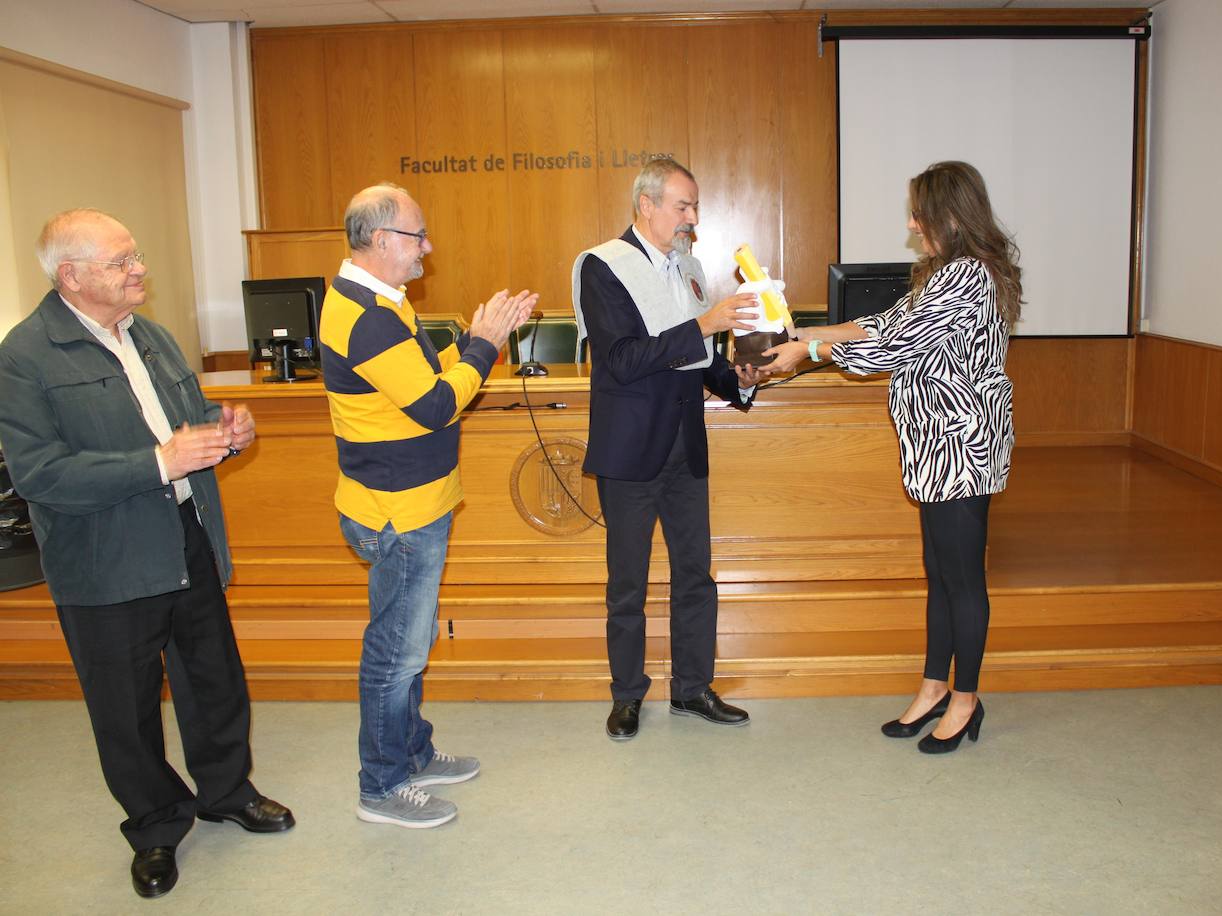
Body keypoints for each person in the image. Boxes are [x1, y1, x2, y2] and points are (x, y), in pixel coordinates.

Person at [0, 209, 293, 899]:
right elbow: (40, 475)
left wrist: (226, 431)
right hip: (103, 562)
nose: (140, 270)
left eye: (136, 256)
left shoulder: (151, 336)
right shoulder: (25, 356)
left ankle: (226, 791)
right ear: (71, 276)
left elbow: (184, 426)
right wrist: (158, 463)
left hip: (185, 536)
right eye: (121, 261)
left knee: (213, 679)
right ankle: (156, 825)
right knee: (125, 709)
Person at [764, 161, 1021, 754]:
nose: (910, 222)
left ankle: (966, 699)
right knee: (941, 576)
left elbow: (894, 344)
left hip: (963, 446)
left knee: (963, 580)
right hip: (938, 445)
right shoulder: (946, 274)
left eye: (918, 212)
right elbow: (883, 321)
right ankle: (934, 687)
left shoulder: (968, 277)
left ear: (950, 215)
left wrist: (811, 352)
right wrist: (805, 335)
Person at [320, 183, 535, 828]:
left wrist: (470, 340)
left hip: (410, 501)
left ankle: (411, 751)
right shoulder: (368, 316)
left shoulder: (381, 302)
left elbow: (417, 378)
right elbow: (436, 404)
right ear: (383, 241)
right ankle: (381, 787)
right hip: (398, 511)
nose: (427, 248)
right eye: (418, 236)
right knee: (397, 651)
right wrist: (486, 345)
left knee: (407, 642)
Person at [571, 158, 764, 741]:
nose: (692, 219)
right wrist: (705, 324)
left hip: (687, 450)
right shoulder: (602, 267)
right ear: (646, 205)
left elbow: (697, 365)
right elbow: (626, 359)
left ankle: (692, 688)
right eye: (683, 206)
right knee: (627, 583)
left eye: (696, 207)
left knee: (695, 576)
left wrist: (739, 382)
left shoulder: (692, 269)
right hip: (630, 453)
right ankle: (627, 695)